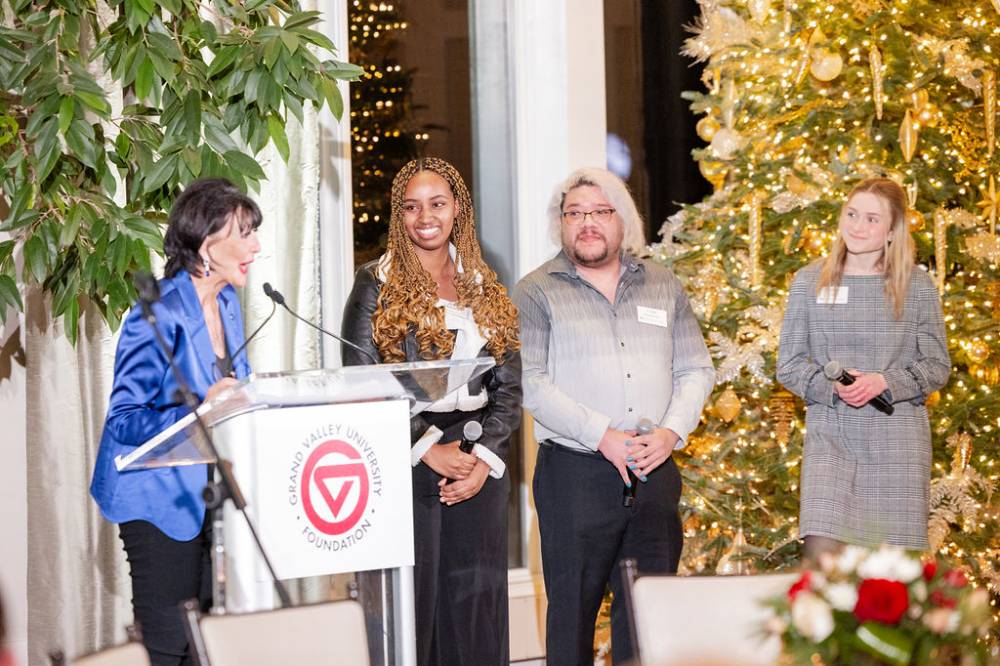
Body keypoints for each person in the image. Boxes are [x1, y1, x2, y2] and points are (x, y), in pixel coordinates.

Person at [512, 167, 715, 666]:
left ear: (622, 221)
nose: (587, 223)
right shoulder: (535, 292)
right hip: (575, 475)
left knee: (648, 615)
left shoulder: (663, 286)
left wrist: (670, 433)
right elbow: (530, 380)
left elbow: (696, 368)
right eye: (574, 213)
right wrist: (601, 434)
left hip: (654, 468)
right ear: (560, 224)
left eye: (600, 212)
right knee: (571, 617)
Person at [341, 157, 522, 666]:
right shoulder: (374, 283)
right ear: (398, 216)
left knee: (476, 610)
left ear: (457, 209)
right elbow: (363, 380)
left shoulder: (483, 281)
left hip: (478, 460)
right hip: (406, 459)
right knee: (415, 611)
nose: (426, 216)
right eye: (411, 206)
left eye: (437, 203)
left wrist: (484, 455)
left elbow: (510, 381)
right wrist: (426, 448)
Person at [90, 178, 262, 665]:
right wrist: (200, 407)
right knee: (168, 647)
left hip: (210, 492)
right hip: (155, 498)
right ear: (208, 244)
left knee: (207, 645)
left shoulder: (227, 301)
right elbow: (124, 419)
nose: (256, 245)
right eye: (245, 234)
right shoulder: (156, 314)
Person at [776, 177, 949, 561]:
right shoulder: (808, 282)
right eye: (852, 214)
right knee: (822, 574)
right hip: (831, 438)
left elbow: (937, 366)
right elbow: (788, 366)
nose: (857, 226)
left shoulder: (916, 286)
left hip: (896, 444)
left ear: (892, 230)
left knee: (889, 586)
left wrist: (884, 381)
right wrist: (831, 387)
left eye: (872, 219)